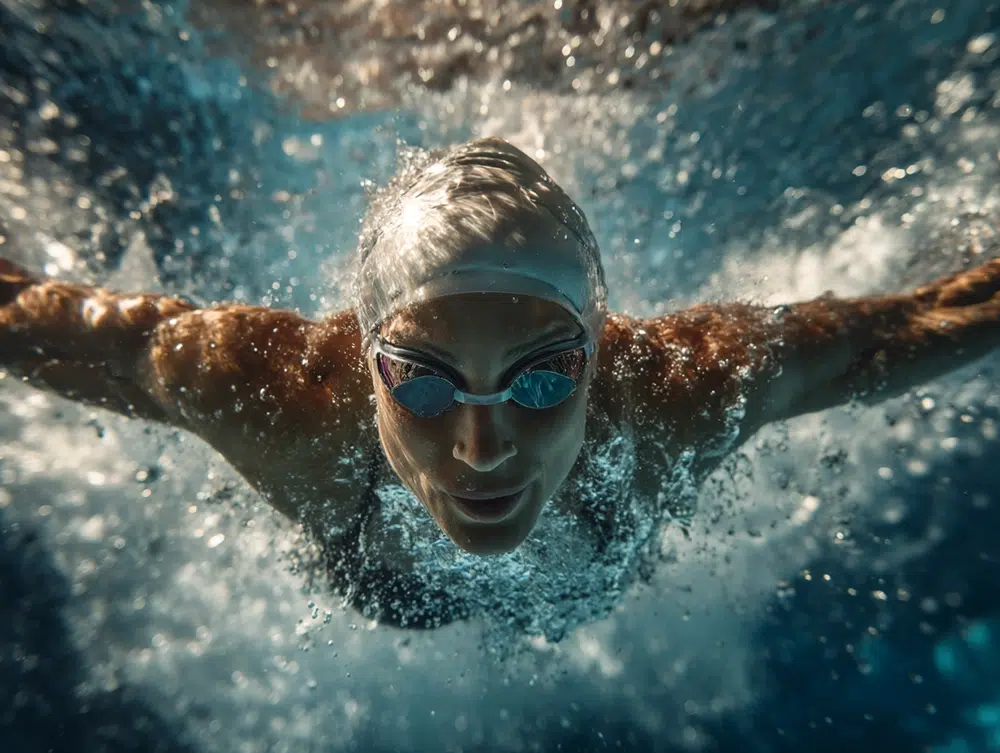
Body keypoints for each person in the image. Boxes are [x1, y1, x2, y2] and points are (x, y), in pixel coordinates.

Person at [2, 137, 1000, 632]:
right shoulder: (272, 397)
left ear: (603, 357)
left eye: (542, 381)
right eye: (424, 385)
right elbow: (34, 319)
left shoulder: (682, 392)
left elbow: (928, 321)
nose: (482, 452)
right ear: (364, 361)